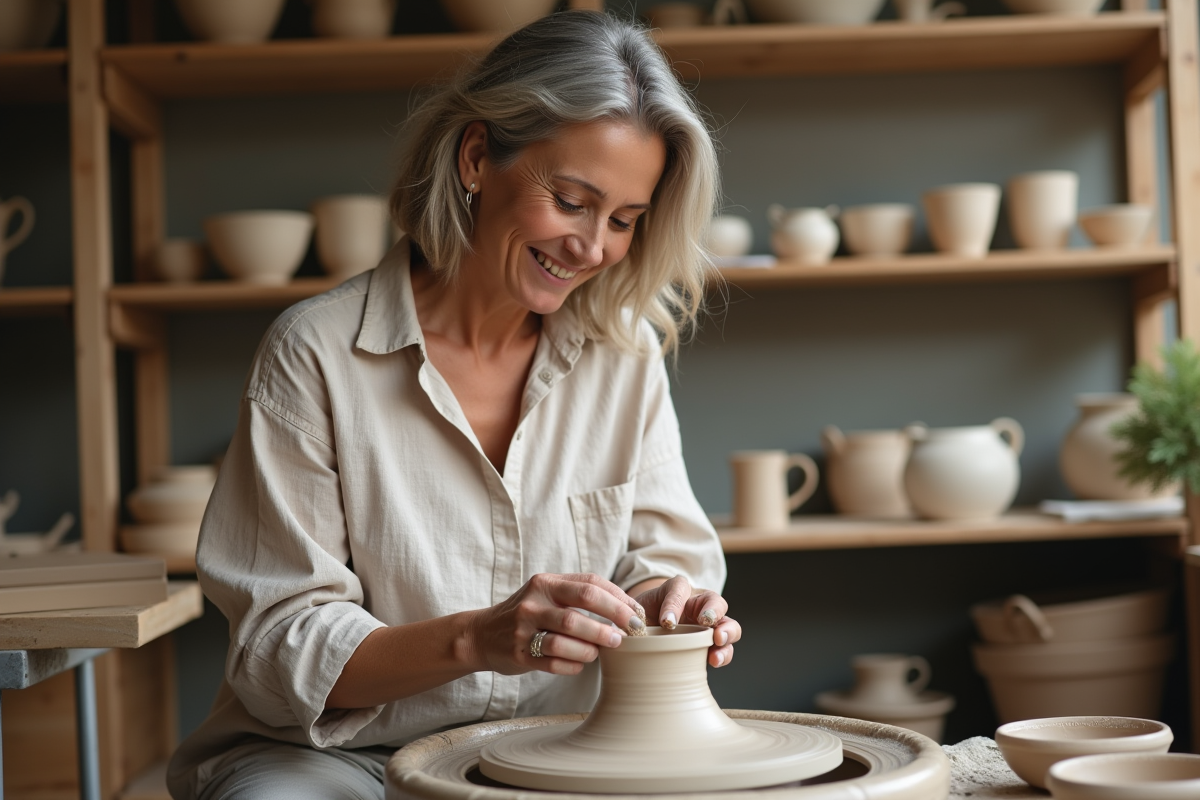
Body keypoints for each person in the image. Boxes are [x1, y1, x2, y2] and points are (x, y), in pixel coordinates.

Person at [167, 10, 736, 799]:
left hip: (552, 751)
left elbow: (661, 556)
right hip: (342, 758)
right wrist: (478, 638)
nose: (592, 247)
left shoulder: (623, 354)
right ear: (476, 158)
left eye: (623, 221)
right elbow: (281, 646)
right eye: (571, 200)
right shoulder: (316, 354)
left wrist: (664, 601)